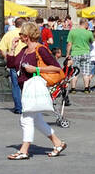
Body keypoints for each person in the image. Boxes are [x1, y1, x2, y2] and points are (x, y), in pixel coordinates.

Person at [6, 19, 67, 159]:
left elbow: (57, 68)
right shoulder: (24, 50)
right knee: (37, 120)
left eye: (21, 34)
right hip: (25, 88)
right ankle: (58, 143)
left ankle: (24, 150)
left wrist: (36, 69)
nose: (20, 37)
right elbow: (11, 64)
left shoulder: (41, 49)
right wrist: (12, 48)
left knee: (26, 118)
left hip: (34, 87)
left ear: (27, 35)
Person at [0, 17, 25, 114]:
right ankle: (27, 106)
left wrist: (7, 57)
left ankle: (18, 107)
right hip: (26, 61)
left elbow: (1, 48)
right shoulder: (26, 34)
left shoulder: (9, 34)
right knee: (27, 84)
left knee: (15, 85)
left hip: (13, 61)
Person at [66, 17, 94, 93]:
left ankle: (73, 88)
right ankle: (86, 88)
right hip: (85, 53)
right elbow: (92, 42)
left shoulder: (72, 32)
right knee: (86, 72)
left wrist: (68, 54)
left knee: (75, 72)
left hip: (75, 53)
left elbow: (69, 44)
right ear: (86, 24)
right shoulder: (89, 33)